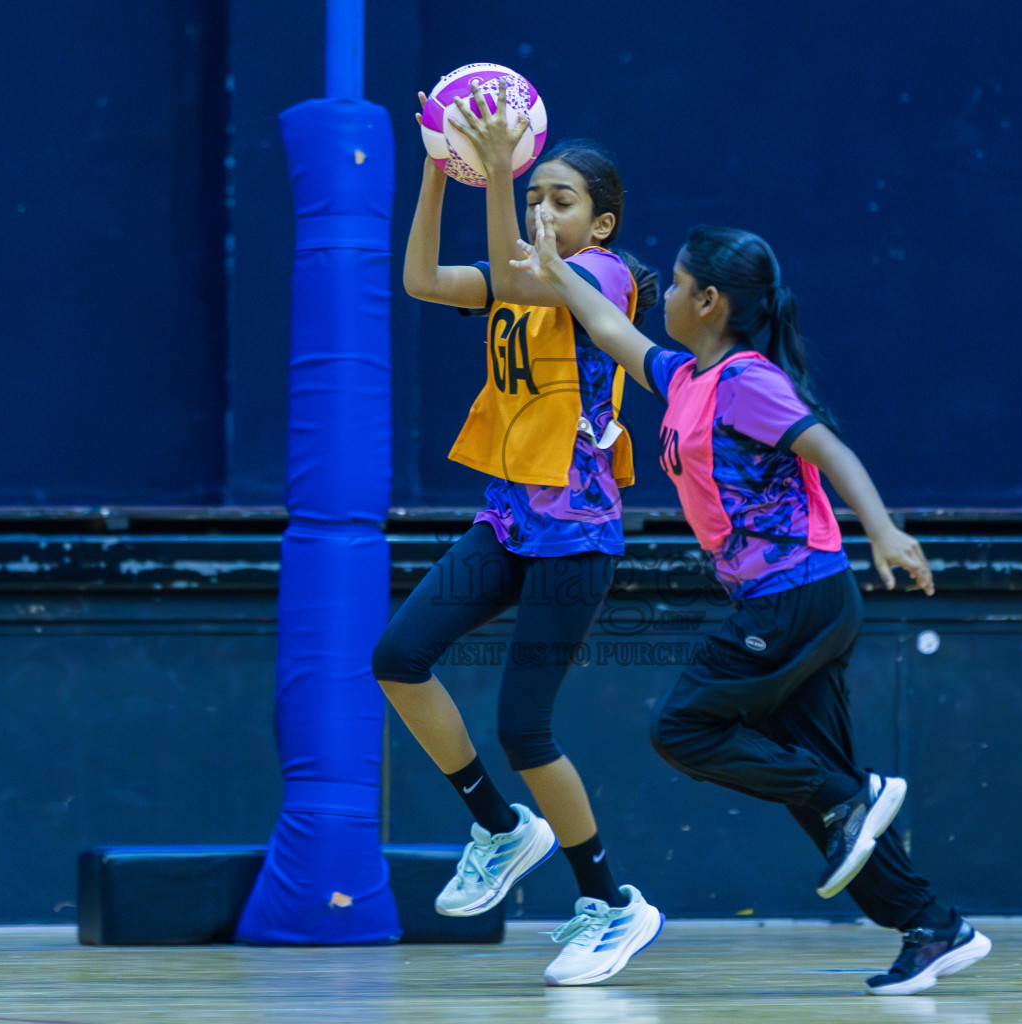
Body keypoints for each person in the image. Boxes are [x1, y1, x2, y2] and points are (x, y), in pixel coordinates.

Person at [512, 208, 992, 996]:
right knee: (816, 789)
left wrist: (885, 531)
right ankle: (932, 925)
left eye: (678, 281)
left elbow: (827, 444)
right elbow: (603, 322)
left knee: (686, 728)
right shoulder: (686, 377)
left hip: (796, 597)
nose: (661, 291)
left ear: (709, 303)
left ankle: (854, 797)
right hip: (794, 599)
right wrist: (549, 264)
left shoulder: (746, 382)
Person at [371, 81, 662, 987]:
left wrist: (496, 180)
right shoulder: (523, 270)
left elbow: (525, 266)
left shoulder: (603, 278)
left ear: (601, 225)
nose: (543, 207)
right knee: (397, 657)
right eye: (538, 193)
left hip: (576, 533)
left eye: (560, 198)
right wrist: (435, 171)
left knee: (524, 726)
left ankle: (612, 905)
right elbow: (421, 278)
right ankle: (500, 828)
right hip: (508, 520)